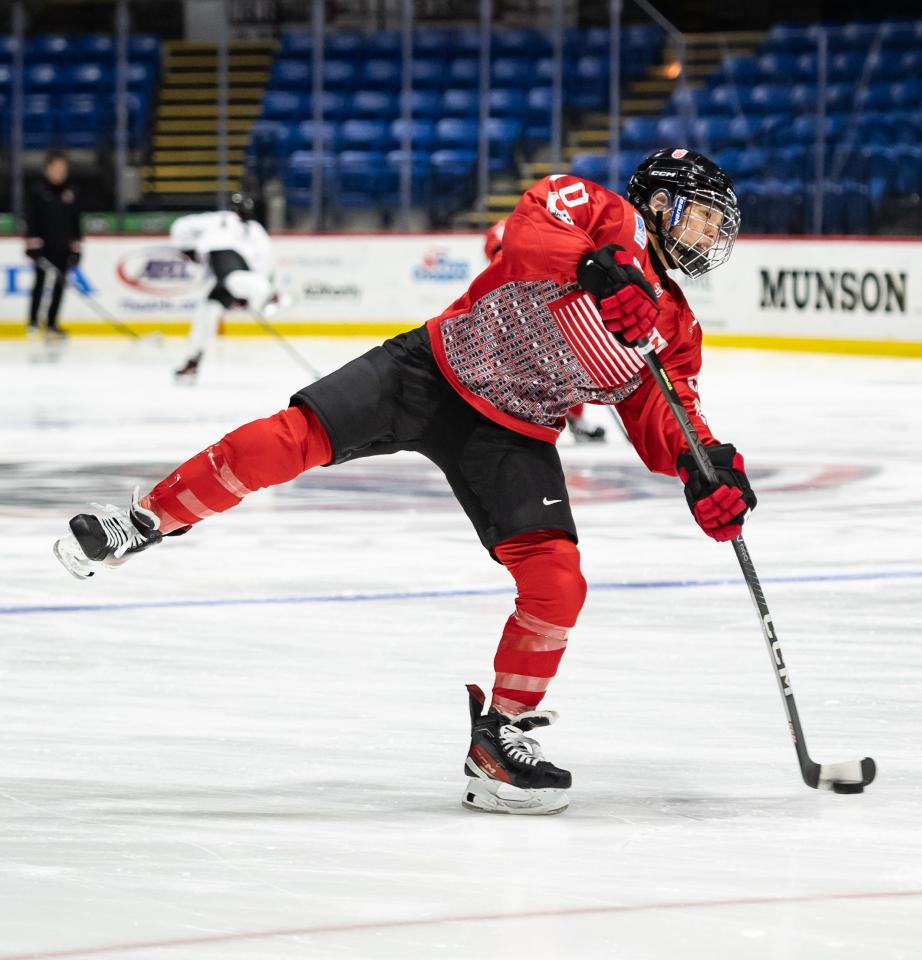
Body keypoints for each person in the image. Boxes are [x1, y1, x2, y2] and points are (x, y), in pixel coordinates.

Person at [53, 148, 757, 816]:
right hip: (431, 369)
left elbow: (667, 415)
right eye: (702, 216)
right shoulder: (600, 210)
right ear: (660, 203)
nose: (711, 235)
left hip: (511, 433)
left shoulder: (675, 328)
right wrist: (598, 268)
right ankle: (144, 521)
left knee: (557, 582)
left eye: (719, 226)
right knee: (284, 440)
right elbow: (526, 233)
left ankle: (500, 739)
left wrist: (705, 467)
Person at [485, 218, 606, 443]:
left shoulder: (527, 228)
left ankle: (573, 420)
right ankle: (518, 420)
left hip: (534, 304)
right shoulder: (514, 229)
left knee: (561, 365)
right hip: (518, 308)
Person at [170, 191, 274, 380]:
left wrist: (186, 248)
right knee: (206, 313)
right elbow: (265, 258)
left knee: (234, 281)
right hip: (226, 271)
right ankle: (192, 361)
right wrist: (187, 248)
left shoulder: (249, 227)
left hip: (235, 267)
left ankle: (267, 293)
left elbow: (180, 226)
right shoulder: (222, 220)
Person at [24, 150, 82, 339]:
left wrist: (76, 248)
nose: (59, 172)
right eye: (56, 168)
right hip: (43, 247)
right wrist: (32, 245)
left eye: (62, 169)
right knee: (40, 283)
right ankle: (33, 322)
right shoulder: (37, 191)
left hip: (63, 247)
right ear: (47, 169)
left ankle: (51, 324)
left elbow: (75, 221)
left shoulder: (70, 191)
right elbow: (31, 219)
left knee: (59, 285)